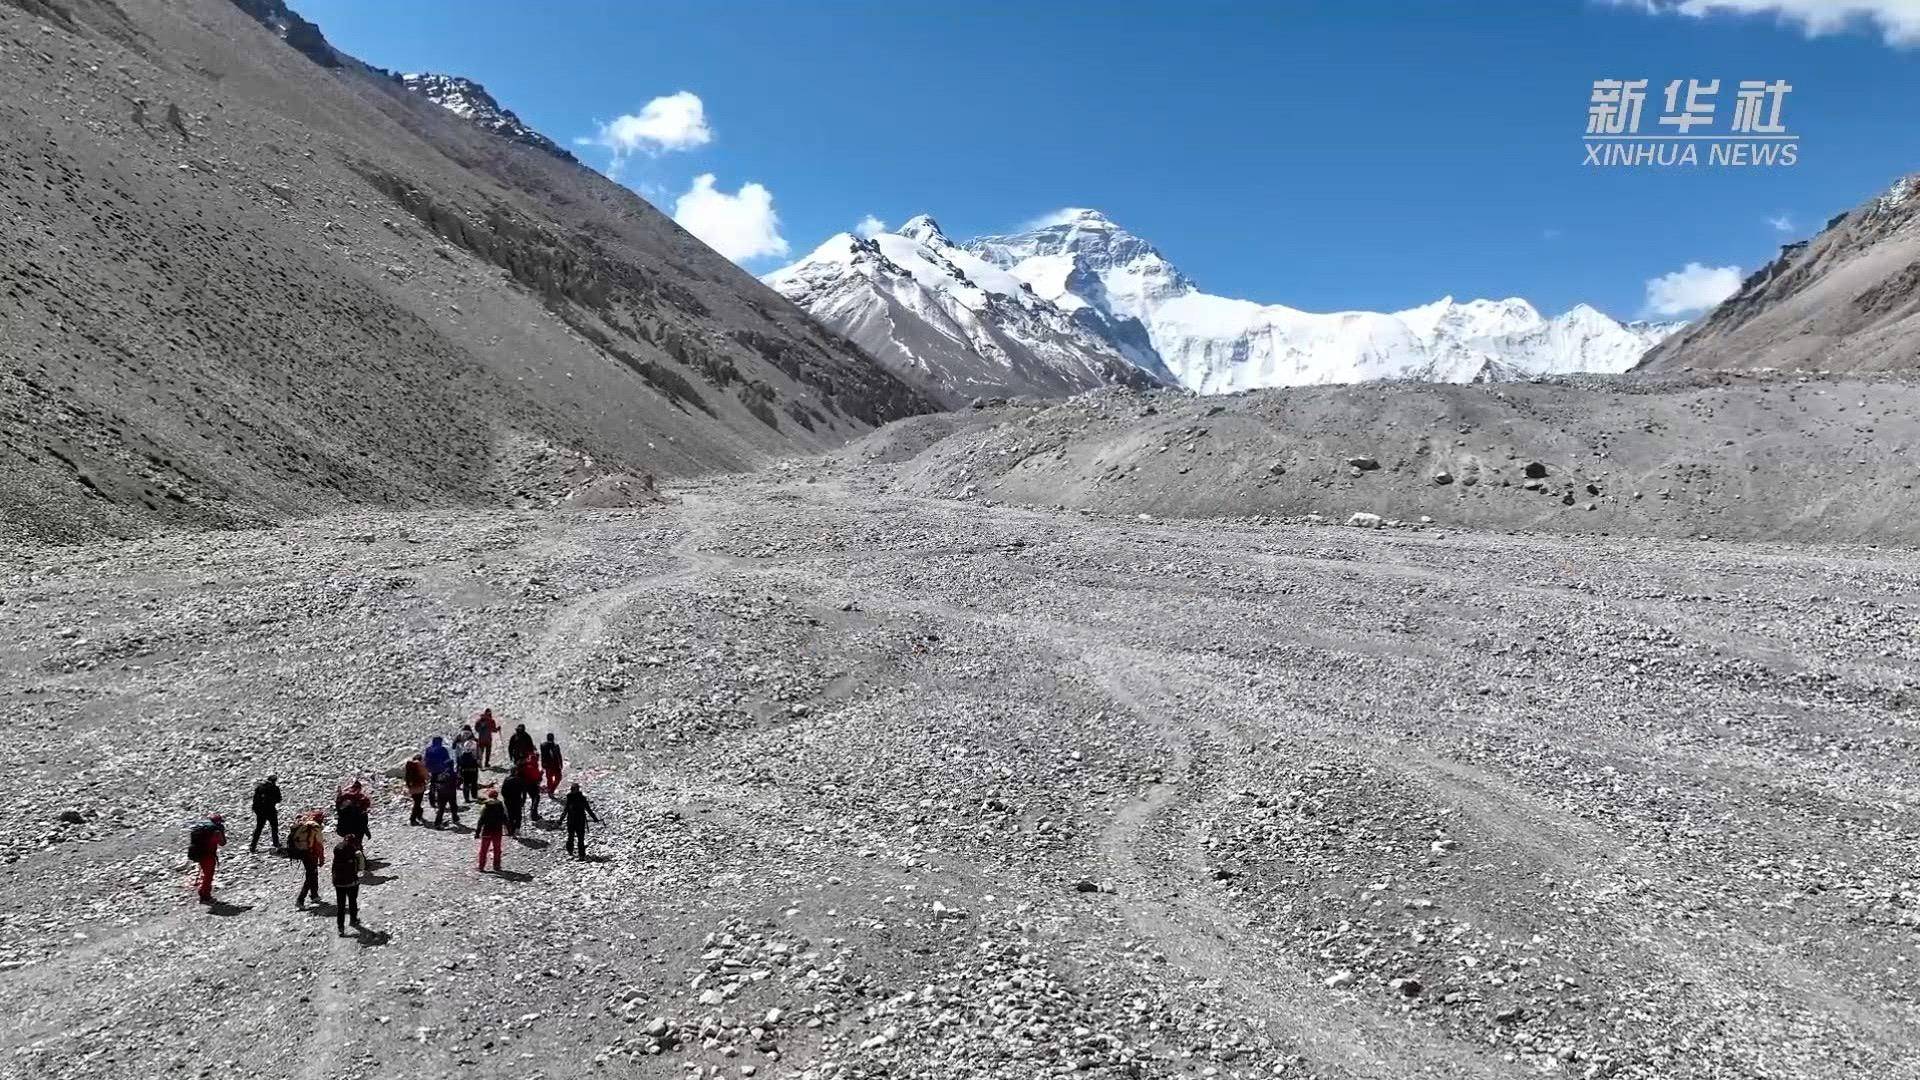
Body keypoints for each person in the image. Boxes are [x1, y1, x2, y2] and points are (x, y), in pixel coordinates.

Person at [287, 811, 326, 908]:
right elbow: (319, 846)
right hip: (311, 854)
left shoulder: (306, 825)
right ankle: (300, 900)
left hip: (303, 853)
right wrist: (321, 859)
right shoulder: (315, 828)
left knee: (313, 873)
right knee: (310, 876)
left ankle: (314, 895)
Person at [331, 834, 364, 935]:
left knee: (340, 906)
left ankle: (340, 928)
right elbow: (361, 867)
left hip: (338, 882)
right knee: (352, 901)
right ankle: (353, 920)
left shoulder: (337, 851)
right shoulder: (356, 853)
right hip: (352, 881)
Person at [188, 814, 226, 902]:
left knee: (205, 873)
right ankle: (204, 894)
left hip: (200, 854)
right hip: (209, 855)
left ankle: (203, 892)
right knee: (209, 875)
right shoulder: (216, 832)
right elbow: (222, 843)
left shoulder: (202, 829)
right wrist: (222, 833)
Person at [559, 783, 602, 860]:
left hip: (575, 821)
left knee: (576, 838)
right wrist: (594, 818)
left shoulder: (574, 798)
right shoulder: (577, 798)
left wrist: (560, 820)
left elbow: (566, 810)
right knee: (576, 837)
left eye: (573, 789)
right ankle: (578, 853)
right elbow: (587, 809)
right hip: (577, 821)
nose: (572, 790)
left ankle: (575, 853)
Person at [475, 792, 506, 873]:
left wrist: (477, 833)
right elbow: (505, 818)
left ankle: (481, 866)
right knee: (497, 848)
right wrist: (510, 831)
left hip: (487, 830)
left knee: (484, 849)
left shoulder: (485, 806)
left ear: (489, 796)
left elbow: (481, 820)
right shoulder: (500, 806)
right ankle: (497, 865)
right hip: (497, 830)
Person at [250, 775, 282, 852]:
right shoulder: (275, 788)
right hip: (271, 810)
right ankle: (276, 843)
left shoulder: (259, 787)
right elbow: (279, 799)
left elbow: (255, 800)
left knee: (259, 828)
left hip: (260, 812)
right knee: (274, 827)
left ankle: (253, 846)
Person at [517, 750, 544, 820]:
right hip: (531, 784)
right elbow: (537, 777)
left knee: (532, 798)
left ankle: (532, 812)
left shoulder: (526, 765)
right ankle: (534, 814)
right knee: (536, 798)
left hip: (524, 784)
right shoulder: (532, 767)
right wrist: (541, 773)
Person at [403, 755, 430, 825]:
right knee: (417, 803)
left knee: (416, 802)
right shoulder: (419, 765)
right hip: (419, 787)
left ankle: (419, 815)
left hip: (411, 788)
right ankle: (413, 819)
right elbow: (426, 775)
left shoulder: (409, 766)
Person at [501, 771, 526, 837]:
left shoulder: (506, 780)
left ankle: (512, 831)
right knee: (518, 815)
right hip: (517, 800)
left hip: (508, 801)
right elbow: (524, 791)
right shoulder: (519, 780)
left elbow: (502, 791)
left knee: (510, 816)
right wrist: (523, 801)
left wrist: (505, 799)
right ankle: (517, 829)